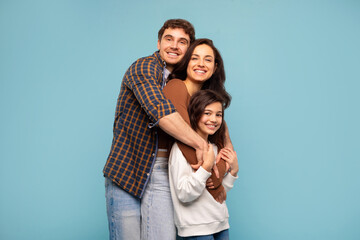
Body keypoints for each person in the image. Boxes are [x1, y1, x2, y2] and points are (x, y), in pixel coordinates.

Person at [103, 19, 208, 240]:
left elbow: (211, 114)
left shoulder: (183, 81)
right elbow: (159, 111)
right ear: (159, 43)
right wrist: (200, 144)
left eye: (182, 42)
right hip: (127, 169)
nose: (174, 46)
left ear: (188, 48)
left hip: (163, 172)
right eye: (169, 39)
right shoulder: (143, 67)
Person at [161, 38, 232, 202]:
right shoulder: (175, 87)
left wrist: (224, 166)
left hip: (195, 181)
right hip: (172, 175)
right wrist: (216, 183)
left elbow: (226, 152)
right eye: (194, 58)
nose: (201, 64)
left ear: (215, 68)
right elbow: (187, 143)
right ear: (186, 62)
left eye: (208, 60)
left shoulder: (208, 101)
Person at [168, 90, 239, 239]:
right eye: (207, 113)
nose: (213, 119)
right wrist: (205, 168)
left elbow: (218, 195)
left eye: (218, 115)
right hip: (196, 228)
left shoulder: (214, 148)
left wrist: (233, 172)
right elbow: (184, 194)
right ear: (195, 114)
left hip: (220, 223)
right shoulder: (181, 149)